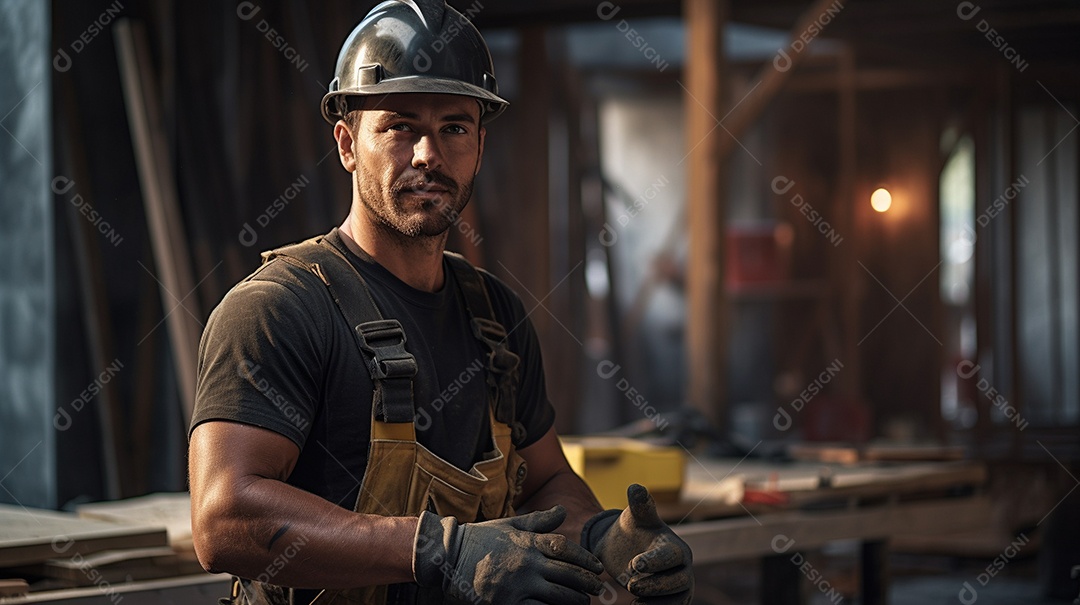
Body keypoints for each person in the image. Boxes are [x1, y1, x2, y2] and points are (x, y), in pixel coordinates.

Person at [187, 1, 694, 604]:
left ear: (479, 145)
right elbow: (224, 521)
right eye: (401, 126)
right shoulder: (281, 310)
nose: (428, 153)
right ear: (348, 144)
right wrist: (437, 551)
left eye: (453, 127)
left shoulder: (496, 318)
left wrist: (607, 535)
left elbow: (548, 482)